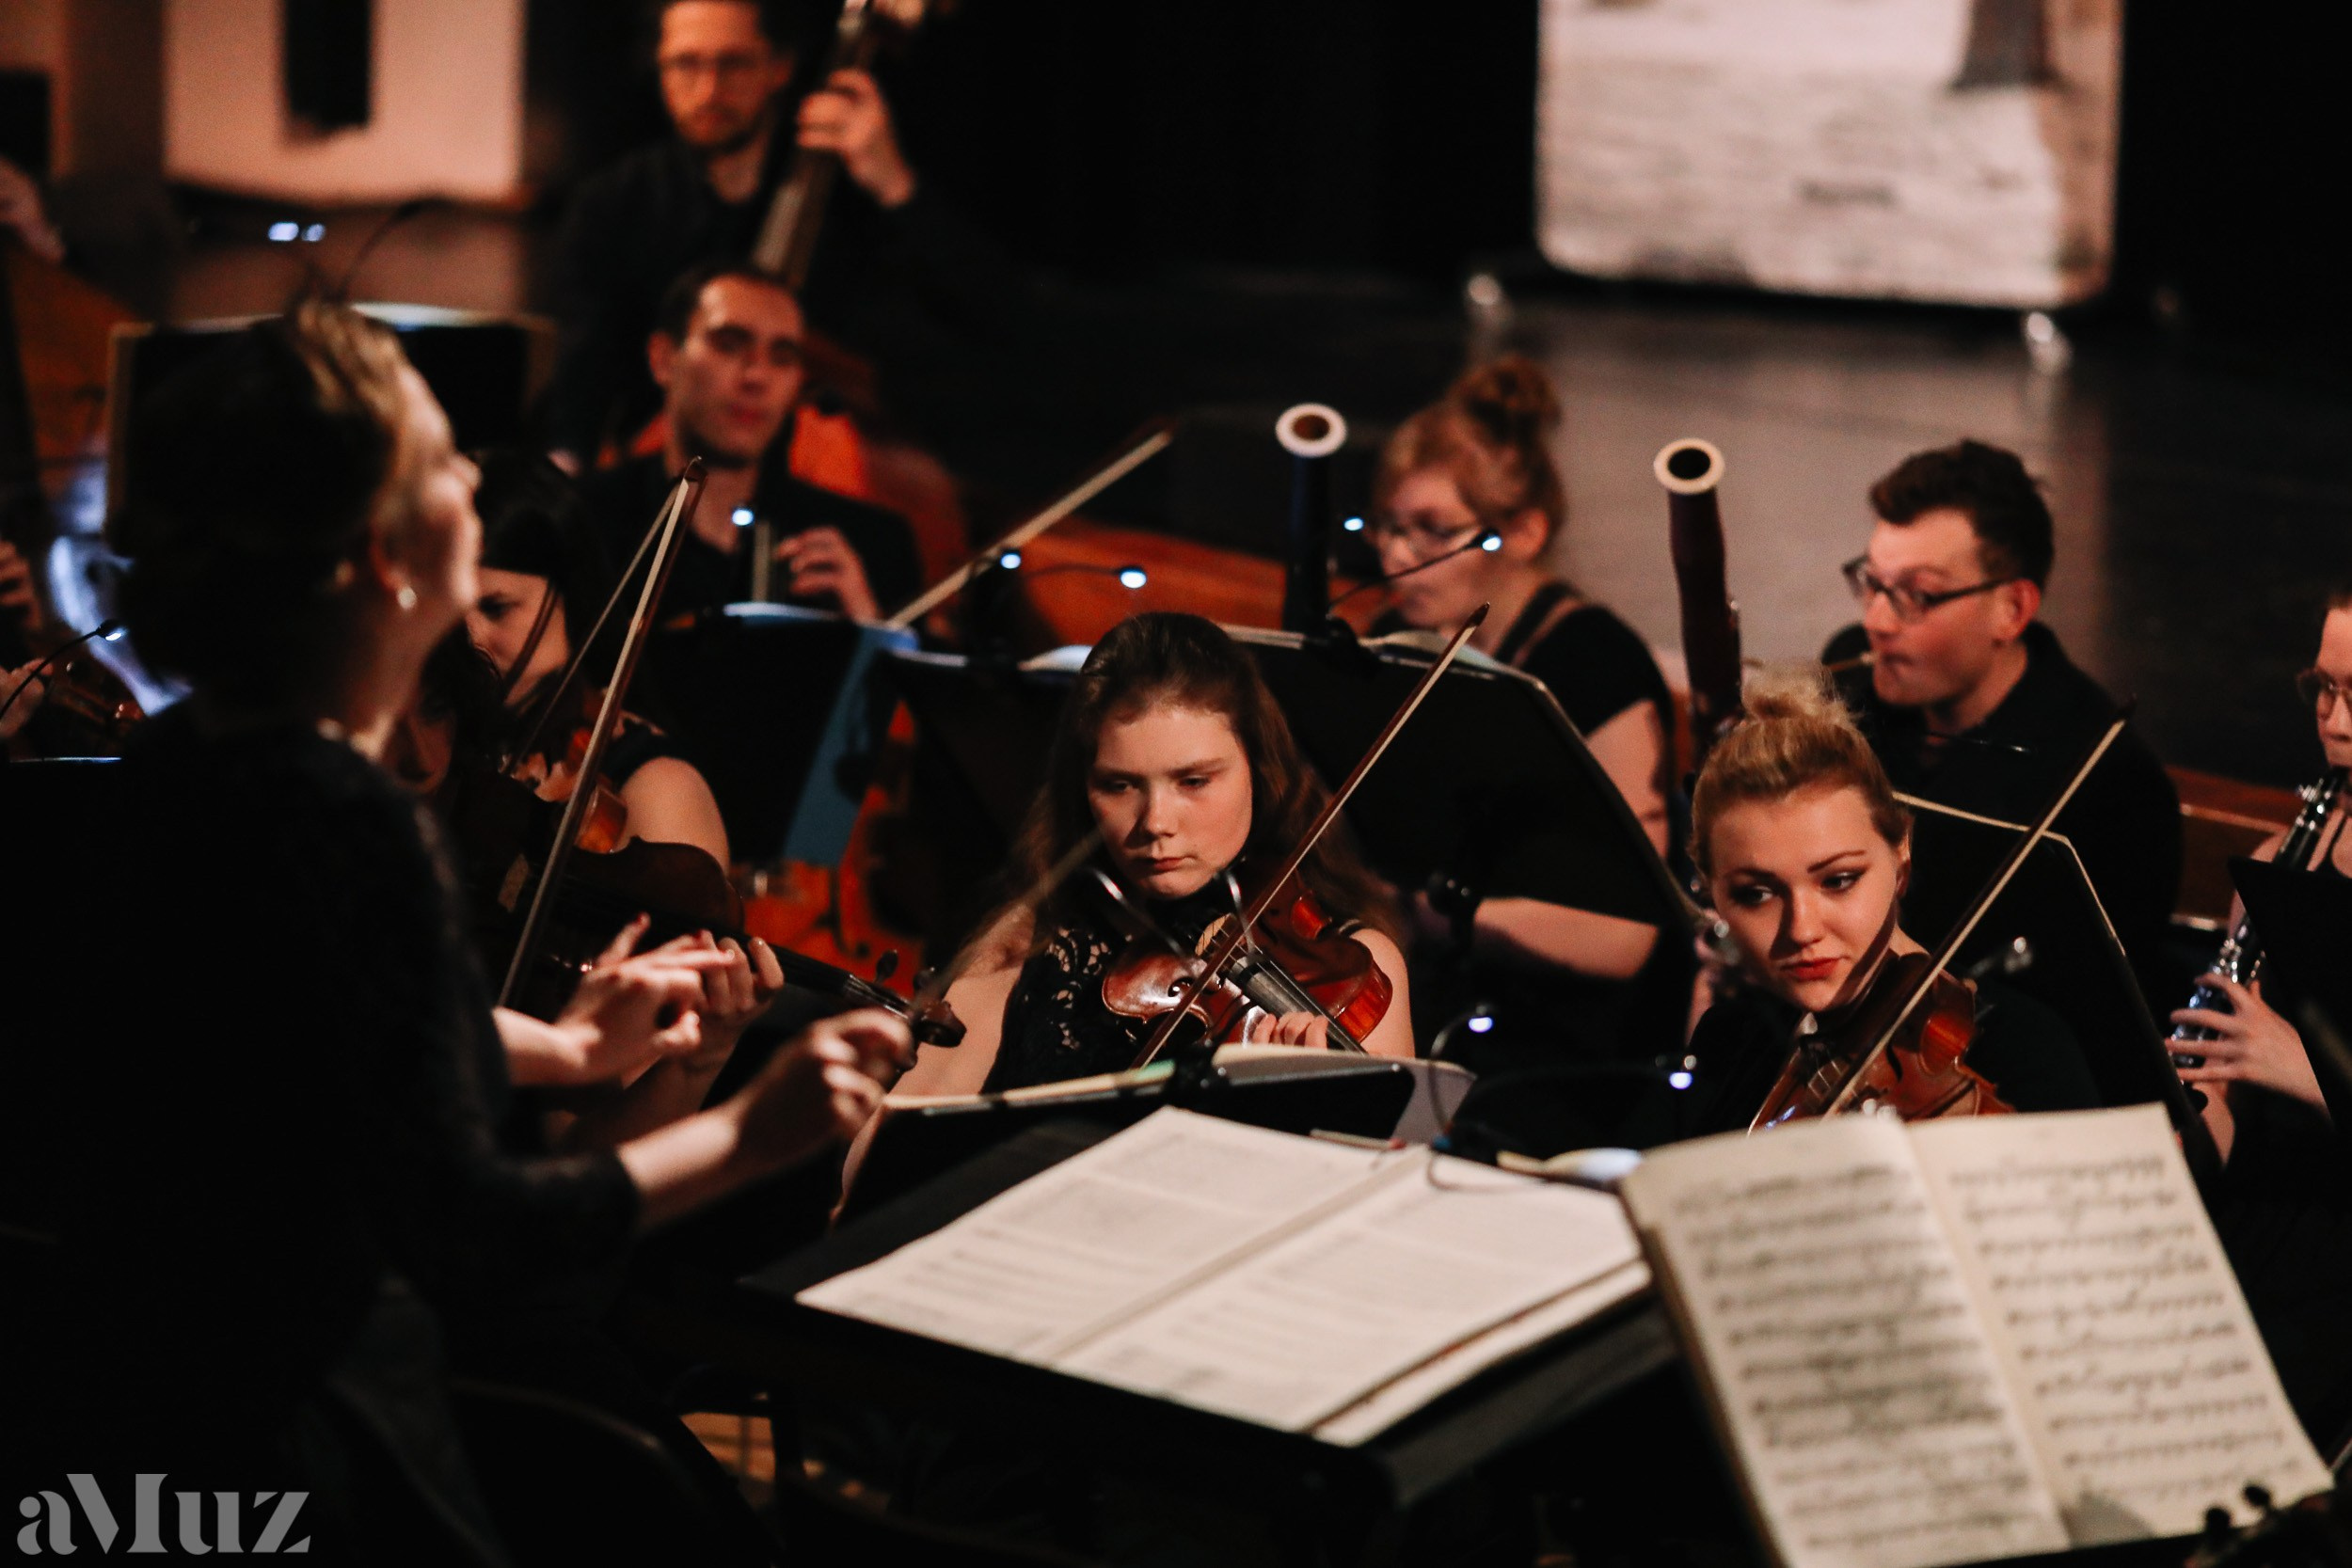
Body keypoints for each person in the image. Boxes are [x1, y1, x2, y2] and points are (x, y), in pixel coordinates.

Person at [2, 303, 909, 1560]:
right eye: (445, 467)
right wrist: (751, 1135)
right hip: (288, 1439)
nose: (472, 493)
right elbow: (482, 1232)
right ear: (385, 553)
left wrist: (567, 1055)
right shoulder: (350, 820)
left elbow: (302, 1042)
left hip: (107, 1412)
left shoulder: (176, 769)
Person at [885, 612, 1417, 1101]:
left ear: (1258, 767)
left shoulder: (1352, 963)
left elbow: (1393, 1180)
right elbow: (887, 1155)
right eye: (1118, 785)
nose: (1156, 822)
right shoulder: (1031, 941)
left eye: (1194, 781)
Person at [1367, 356, 1680, 1068]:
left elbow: (1623, 935)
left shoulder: (1597, 664)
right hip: (1436, 992)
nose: (1396, 557)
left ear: (1525, 533)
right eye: (1386, 528)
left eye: (1431, 531)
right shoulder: (1390, 639)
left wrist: (1425, 916)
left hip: (1567, 1040)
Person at [547, 0, 1009, 467]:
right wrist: (563, 472)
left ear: (779, 68)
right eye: (686, 64)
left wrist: (894, 185)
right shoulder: (612, 204)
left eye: (735, 63)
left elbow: (986, 308)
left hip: (833, 472)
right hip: (659, 471)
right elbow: (581, 378)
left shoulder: (849, 197)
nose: (709, 90)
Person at [1823, 439, 2182, 1006]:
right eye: (1872, 584)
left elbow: (2092, 1015)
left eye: (1917, 595)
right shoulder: (1847, 692)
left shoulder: (2108, 781)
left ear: (2012, 609)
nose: (1876, 621)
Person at [1681, 669, 2097, 1137]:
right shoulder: (1731, 1034)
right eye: (1756, 894)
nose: (1801, 928)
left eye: (1839, 880)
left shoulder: (2022, 1052)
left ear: (1901, 855)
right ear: (1709, 889)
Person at [575, 261, 922, 624]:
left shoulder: (874, 543)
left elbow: (911, 678)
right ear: (663, 359)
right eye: (728, 346)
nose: (757, 376)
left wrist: (865, 629)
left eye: (782, 357)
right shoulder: (583, 522)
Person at [466, 448, 732, 863]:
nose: (469, 638)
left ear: (572, 599)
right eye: (447, 609)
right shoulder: (435, 746)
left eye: (497, 608)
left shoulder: (655, 788)